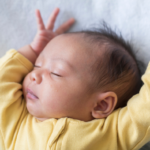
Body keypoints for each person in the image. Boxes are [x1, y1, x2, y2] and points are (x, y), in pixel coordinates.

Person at [0, 7, 149, 150]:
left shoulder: (110, 135)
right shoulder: (16, 122)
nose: (34, 75)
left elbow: (144, 110)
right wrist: (31, 50)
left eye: (56, 73)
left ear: (101, 105)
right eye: (36, 65)